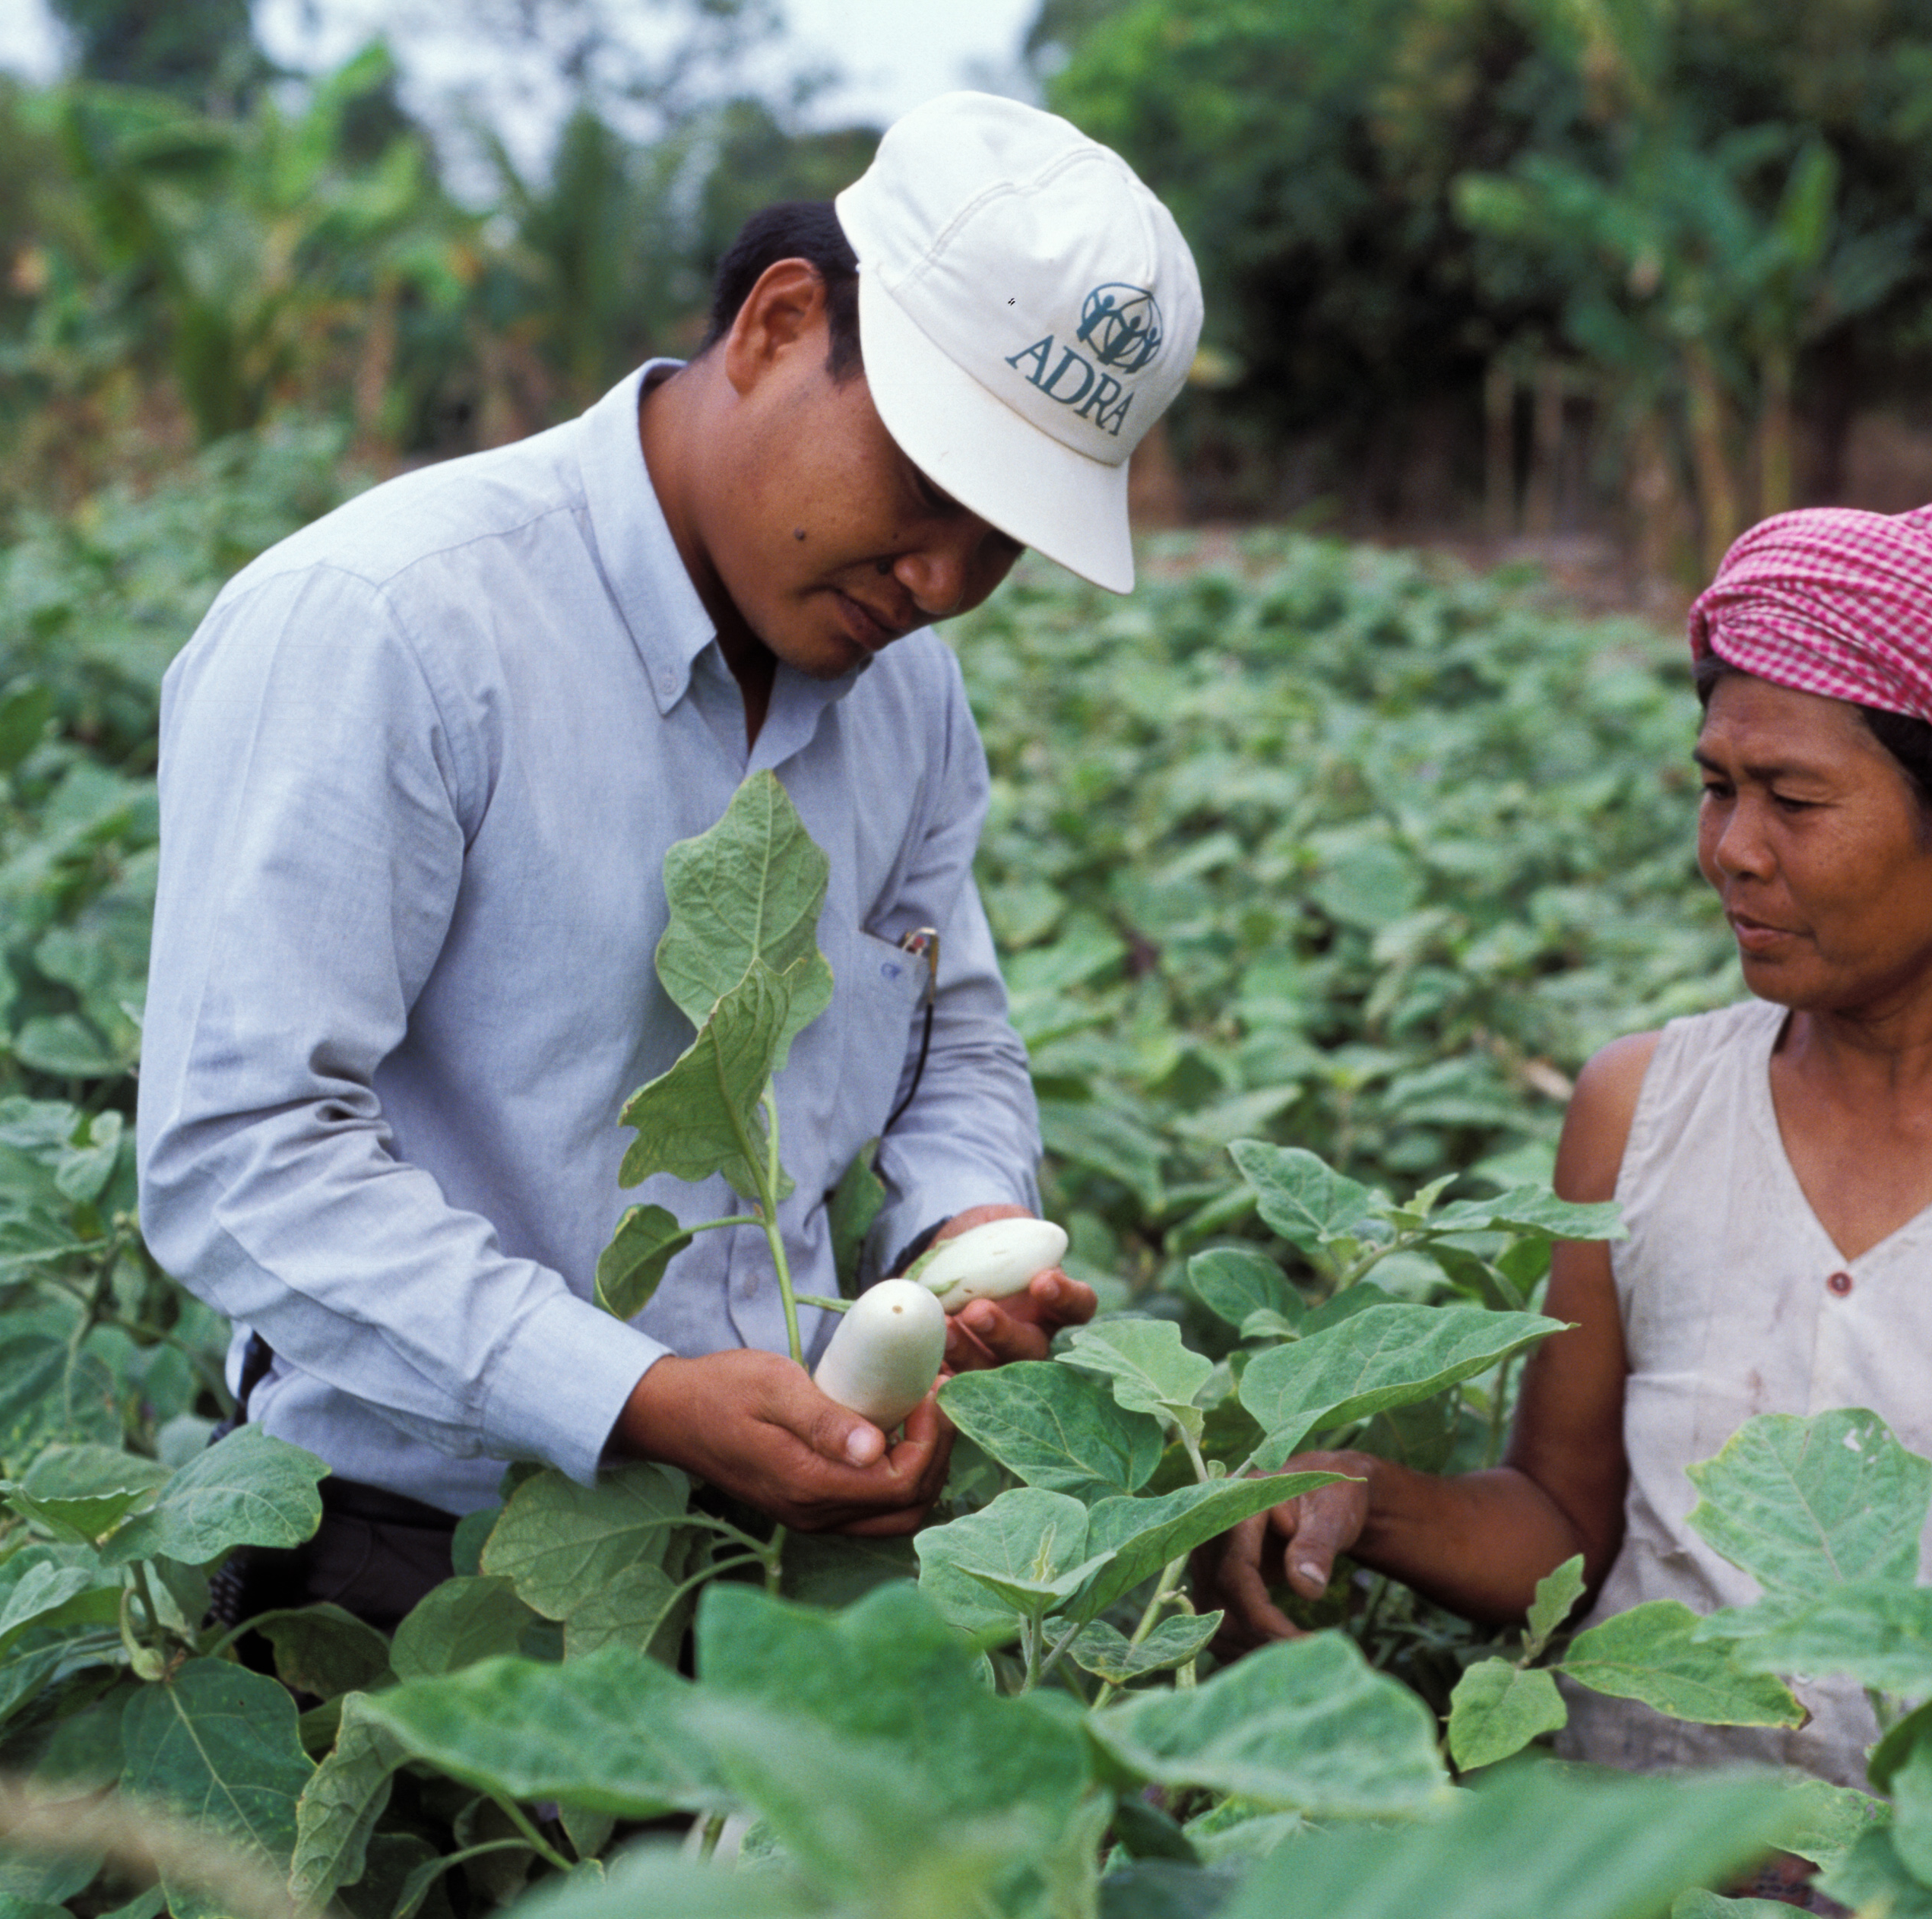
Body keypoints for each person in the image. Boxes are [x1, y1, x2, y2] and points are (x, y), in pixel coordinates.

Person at [138, 93, 1202, 1630]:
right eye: (929, 490)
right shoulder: (388, 625)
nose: (945, 581)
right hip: (413, 1556)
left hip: (790, 1548)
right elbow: (238, 1157)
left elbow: (947, 1032)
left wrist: (964, 1231)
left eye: (1005, 541)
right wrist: (630, 1396)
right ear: (778, 325)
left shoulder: (906, 691)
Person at [1205, 504, 1932, 1797]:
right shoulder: (1640, 1109)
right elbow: (1563, 1521)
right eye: (1718, 787)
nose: (1733, 851)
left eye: (1794, 799)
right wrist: (1361, 1494)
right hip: (1642, 1860)